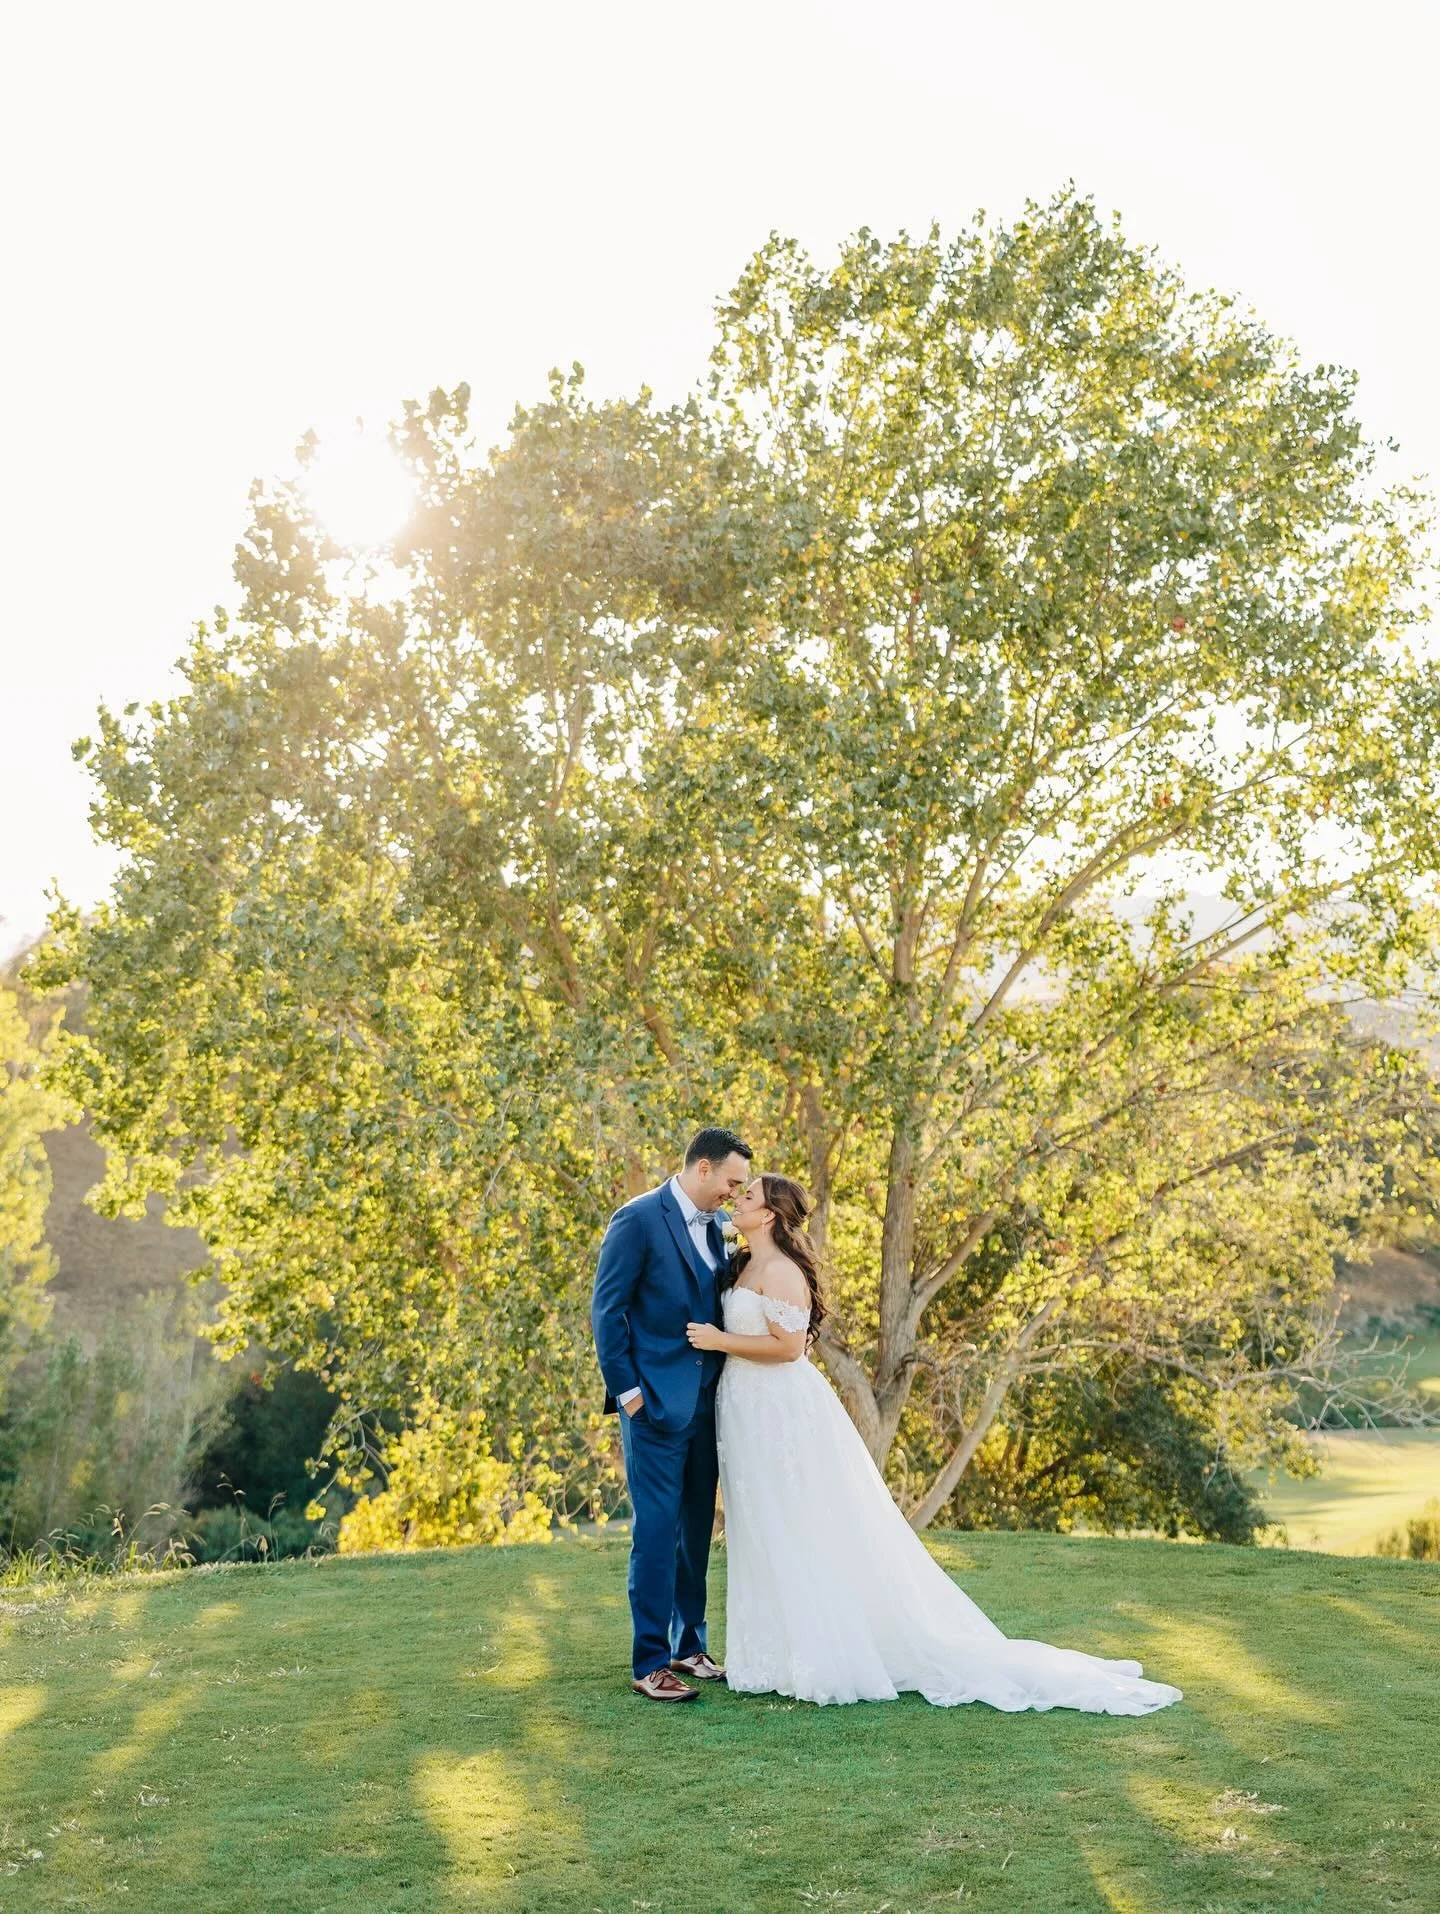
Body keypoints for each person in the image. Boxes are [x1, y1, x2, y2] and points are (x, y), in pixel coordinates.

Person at [686, 1173, 1183, 1714]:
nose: (738, 1199)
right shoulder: (740, 1262)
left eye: (750, 1196)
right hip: (746, 1412)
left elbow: (788, 1349)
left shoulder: (782, 1271)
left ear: (772, 1216)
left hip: (779, 1411)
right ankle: (769, 1654)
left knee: (797, 1523)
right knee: (761, 1523)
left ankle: (819, 1652)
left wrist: (718, 1340)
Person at [590, 1126, 753, 1702]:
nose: (735, 1194)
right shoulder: (636, 1219)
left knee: (693, 1530)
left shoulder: (720, 1228)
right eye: (731, 1182)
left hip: (711, 1402)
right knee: (657, 1532)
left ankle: (690, 1643)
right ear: (702, 1169)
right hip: (654, 1404)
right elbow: (607, 1311)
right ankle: (650, 1660)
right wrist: (628, 1394)